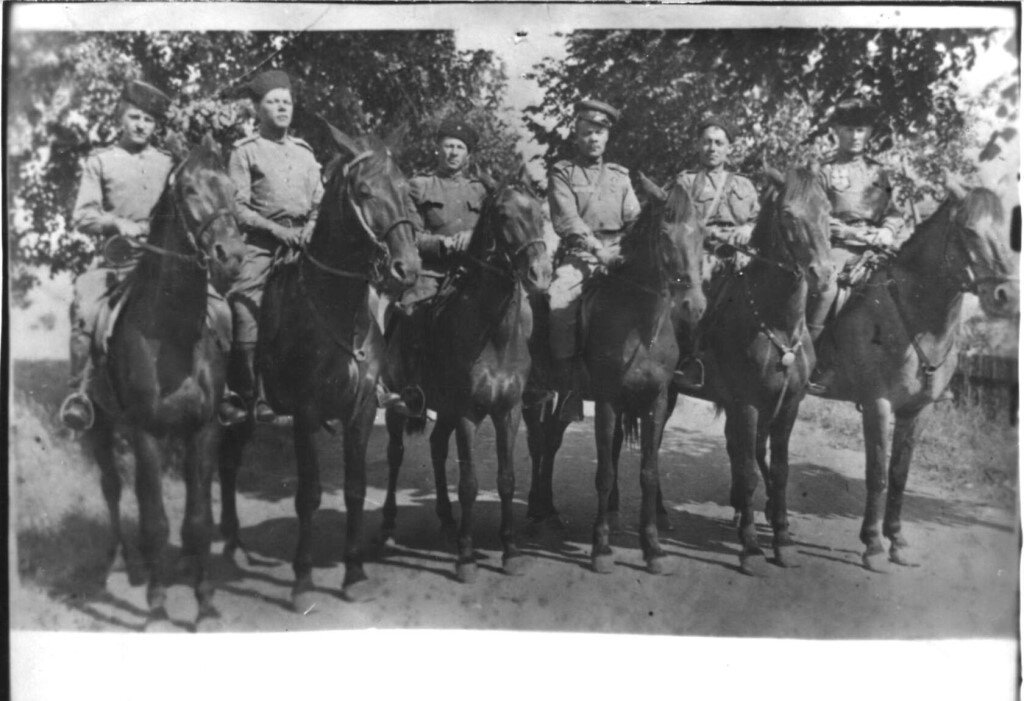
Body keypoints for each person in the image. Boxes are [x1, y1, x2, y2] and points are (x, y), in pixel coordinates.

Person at [59, 80, 177, 431]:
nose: (142, 126)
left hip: (165, 264)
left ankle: (225, 392)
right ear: (120, 117)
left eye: (149, 121)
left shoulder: (169, 164)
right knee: (87, 312)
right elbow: (82, 215)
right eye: (135, 117)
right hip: (118, 263)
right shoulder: (101, 162)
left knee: (217, 309)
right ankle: (79, 393)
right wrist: (117, 223)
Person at [227, 69, 323, 422]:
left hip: (307, 243)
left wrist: (312, 226)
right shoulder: (245, 151)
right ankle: (250, 394)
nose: (282, 108)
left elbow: (319, 199)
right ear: (257, 109)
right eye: (273, 102)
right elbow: (236, 206)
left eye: (287, 101)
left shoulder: (305, 152)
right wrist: (276, 231)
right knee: (244, 306)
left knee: (360, 297)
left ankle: (356, 382)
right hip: (263, 245)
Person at [807, 96, 911, 395]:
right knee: (828, 291)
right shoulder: (823, 170)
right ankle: (812, 361)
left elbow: (893, 212)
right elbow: (817, 217)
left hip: (876, 249)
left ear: (869, 133)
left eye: (862, 130)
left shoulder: (878, 172)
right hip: (837, 246)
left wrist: (888, 231)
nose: (855, 136)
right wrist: (859, 236)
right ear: (836, 131)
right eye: (849, 129)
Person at [386, 118, 489, 416]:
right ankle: (413, 388)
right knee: (412, 313)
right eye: (448, 146)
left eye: (460, 148)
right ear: (438, 150)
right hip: (432, 273)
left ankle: (517, 382)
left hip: (472, 274)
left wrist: (473, 238)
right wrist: (442, 244)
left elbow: (492, 231)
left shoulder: (481, 191)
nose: (453, 153)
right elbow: (410, 235)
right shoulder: (418, 187)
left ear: (468, 155)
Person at [547, 99, 641, 421]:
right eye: (587, 132)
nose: (593, 139)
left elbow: (634, 220)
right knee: (558, 300)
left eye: (599, 133)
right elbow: (568, 220)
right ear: (577, 135)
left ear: (607, 137)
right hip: (581, 256)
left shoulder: (620, 176)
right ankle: (568, 387)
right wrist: (597, 250)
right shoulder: (562, 172)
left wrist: (626, 250)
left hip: (620, 254)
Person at [667, 116, 760, 390]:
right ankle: (695, 358)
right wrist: (711, 234)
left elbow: (758, 218)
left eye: (719, 143)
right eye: (706, 142)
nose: (712, 148)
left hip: (739, 254)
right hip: (699, 255)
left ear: (729, 148)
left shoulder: (745, 185)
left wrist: (748, 229)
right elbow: (675, 221)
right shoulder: (686, 182)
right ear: (698, 145)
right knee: (699, 290)